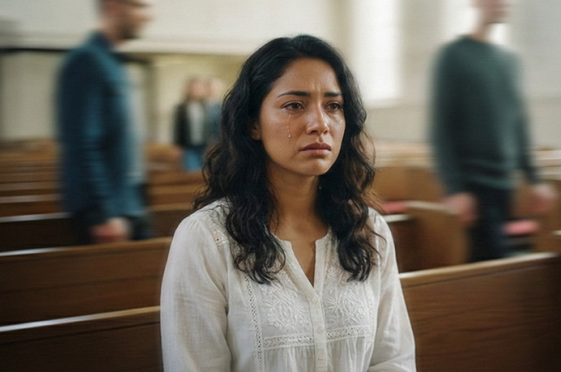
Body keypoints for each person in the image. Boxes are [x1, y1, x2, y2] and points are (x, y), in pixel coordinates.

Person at [160, 35, 416, 371]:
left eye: (333, 106)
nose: (319, 124)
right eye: (295, 105)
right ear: (254, 123)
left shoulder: (368, 230)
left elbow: (393, 360)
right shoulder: (206, 238)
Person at [430, 0, 556, 262]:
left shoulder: (510, 61)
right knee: (496, 267)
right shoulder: (453, 56)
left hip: (506, 186)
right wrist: (455, 188)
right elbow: (441, 129)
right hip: (474, 189)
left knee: (496, 269)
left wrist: (535, 179)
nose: (504, 1)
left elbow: (519, 124)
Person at [55, 0, 154, 245]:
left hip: (128, 206)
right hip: (110, 215)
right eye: (140, 6)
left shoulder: (112, 62)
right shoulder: (87, 61)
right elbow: (81, 144)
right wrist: (102, 213)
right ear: (112, 7)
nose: (148, 16)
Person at [172, 77, 210, 171]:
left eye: (198, 88)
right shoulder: (181, 107)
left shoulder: (206, 106)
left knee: (205, 171)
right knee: (191, 172)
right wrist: (177, 146)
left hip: (204, 145)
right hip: (188, 146)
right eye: (193, 88)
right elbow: (177, 127)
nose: (195, 90)